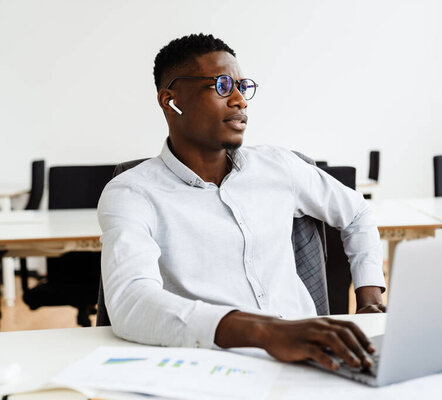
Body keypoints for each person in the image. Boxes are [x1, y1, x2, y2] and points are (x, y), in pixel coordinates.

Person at [98, 33, 386, 372]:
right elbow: (131, 303)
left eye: (242, 86)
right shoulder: (132, 193)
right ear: (170, 100)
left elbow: (357, 213)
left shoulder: (280, 166)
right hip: (213, 366)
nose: (239, 100)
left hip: (317, 360)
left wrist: (371, 302)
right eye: (221, 86)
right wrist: (268, 331)